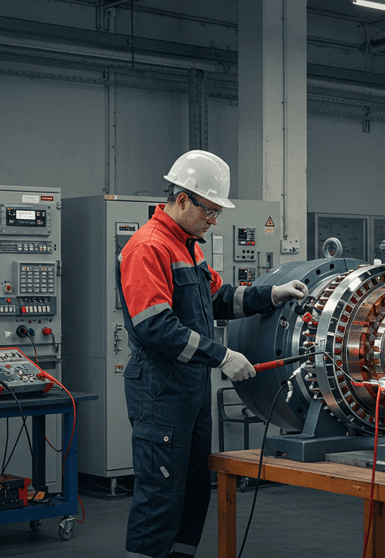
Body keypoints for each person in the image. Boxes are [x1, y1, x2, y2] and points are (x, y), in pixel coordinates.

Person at [118, 150, 307, 558]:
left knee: (192, 486)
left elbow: (217, 297)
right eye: (209, 210)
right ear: (182, 198)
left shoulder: (188, 245)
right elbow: (154, 326)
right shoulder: (148, 247)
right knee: (161, 491)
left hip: (190, 386)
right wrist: (221, 356)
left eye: (218, 212)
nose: (214, 220)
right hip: (160, 386)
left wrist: (270, 295)